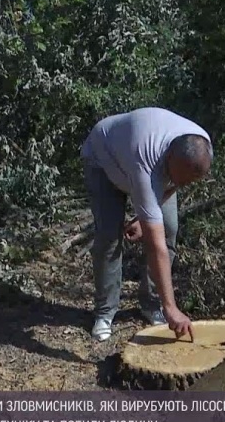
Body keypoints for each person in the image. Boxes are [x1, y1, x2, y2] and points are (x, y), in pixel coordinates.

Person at [80, 107, 213, 342]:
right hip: (103, 161)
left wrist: (145, 218)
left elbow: (177, 182)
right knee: (110, 237)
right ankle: (105, 312)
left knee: (169, 228)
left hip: (137, 160)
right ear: (169, 158)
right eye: (178, 175)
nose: (182, 183)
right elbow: (155, 246)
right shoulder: (146, 162)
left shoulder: (199, 145)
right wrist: (172, 306)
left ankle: (152, 304)